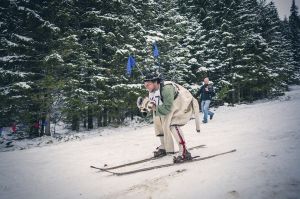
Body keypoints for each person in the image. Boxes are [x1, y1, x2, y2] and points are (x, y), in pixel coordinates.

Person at [137, 72, 200, 163]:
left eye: (148, 84)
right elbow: (153, 107)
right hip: (172, 106)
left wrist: (153, 107)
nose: (146, 86)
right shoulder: (152, 90)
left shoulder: (167, 88)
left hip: (183, 105)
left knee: (172, 124)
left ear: (156, 82)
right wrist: (144, 108)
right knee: (157, 119)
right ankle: (165, 146)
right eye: (145, 85)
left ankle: (184, 151)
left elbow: (166, 108)